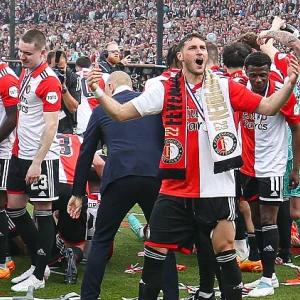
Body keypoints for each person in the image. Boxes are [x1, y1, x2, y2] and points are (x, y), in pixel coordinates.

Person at [85, 33, 300, 300]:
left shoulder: (224, 86)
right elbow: (119, 113)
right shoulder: (163, 88)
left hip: (216, 187)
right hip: (175, 188)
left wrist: (290, 82)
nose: (200, 52)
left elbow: (268, 107)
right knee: (155, 254)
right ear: (181, 56)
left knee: (224, 250)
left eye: (202, 48)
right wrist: (95, 90)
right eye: (192, 47)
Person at [68, 71, 178, 300]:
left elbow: (86, 153)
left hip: (119, 175)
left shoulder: (102, 109)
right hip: (153, 176)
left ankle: (89, 296)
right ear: (132, 85)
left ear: (109, 88)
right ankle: (171, 295)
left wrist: (78, 193)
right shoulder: (151, 104)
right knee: (162, 240)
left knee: (101, 240)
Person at [6, 29, 62, 292]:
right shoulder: (26, 72)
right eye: (20, 51)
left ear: (43, 52)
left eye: (28, 53)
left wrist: (37, 162)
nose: (22, 57)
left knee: (43, 212)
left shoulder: (50, 81)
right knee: (14, 208)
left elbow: (51, 126)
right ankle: (38, 261)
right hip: (19, 154)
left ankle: (40, 272)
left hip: (41, 159)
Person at [240, 52, 300, 298]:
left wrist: (295, 167)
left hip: (272, 166)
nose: (257, 80)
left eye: (262, 75)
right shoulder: (239, 89)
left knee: (268, 219)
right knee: (256, 218)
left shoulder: (280, 91)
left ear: (269, 72)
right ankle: (270, 274)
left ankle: (266, 278)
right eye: (253, 75)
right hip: (246, 166)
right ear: (246, 72)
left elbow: (296, 126)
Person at [222, 42, 262, 272]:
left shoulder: (222, 84)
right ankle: (253, 249)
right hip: (252, 152)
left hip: (229, 152)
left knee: (233, 203)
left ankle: (240, 250)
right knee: (247, 203)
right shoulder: (251, 83)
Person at [51, 133, 104, 284]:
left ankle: (47, 256)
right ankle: (71, 255)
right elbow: (100, 164)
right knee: (75, 244)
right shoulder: (79, 139)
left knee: (41, 214)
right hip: (75, 192)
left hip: (50, 185)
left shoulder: (45, 132)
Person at [0, 61, 19, 280]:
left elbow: (13, 119)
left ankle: (4, 259)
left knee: (1, 204)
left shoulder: (6, 78)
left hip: (4, 151)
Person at [47, 50, 81, 134]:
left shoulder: (73, 78)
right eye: (55, 68)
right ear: (48, 66)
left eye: (62, 68)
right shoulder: (42, 78)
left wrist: (63, 87)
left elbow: (73, 108)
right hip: (46, 124)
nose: (58, 71)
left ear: (66, 65)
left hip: (66, 126)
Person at [75, 56, 107, 135]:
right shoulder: (104, 76)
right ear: (91, 66)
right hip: (100, 121)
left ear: (77, 67)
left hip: (81, 123)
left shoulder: (72, 77)